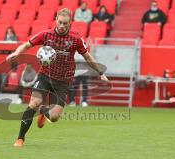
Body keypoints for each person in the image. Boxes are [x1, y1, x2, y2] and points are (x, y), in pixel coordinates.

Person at [6, 8, 108, 147]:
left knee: (54, 118)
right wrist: (16, 53)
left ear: (70, 23)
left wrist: (101, 73)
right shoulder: (46, 35)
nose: (62, 26)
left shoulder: (76, 39)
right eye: (60, 22)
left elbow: (87, 57)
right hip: (44, 76)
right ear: (56, 20)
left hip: (63, 81)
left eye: (65, 23)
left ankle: (44, 111)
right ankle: (20, 138)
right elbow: (27, 45)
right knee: (33, 104)